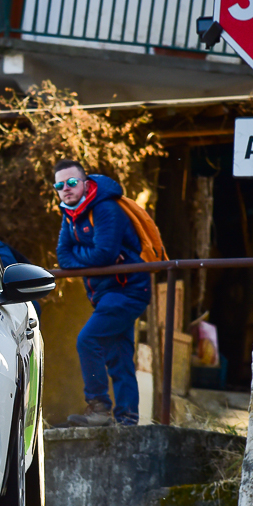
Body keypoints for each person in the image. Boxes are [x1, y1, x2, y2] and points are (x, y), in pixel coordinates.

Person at [53, 159, 151, 427]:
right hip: (107, 294)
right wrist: (91, 257)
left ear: (85, 183)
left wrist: (84, 255)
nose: (66, 188)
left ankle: (99, 408)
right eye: (60, 185)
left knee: (88, 340)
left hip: (128, 289)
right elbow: (63, 256)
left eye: (72, 182)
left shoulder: (106, 208)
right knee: (118, 356)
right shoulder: (70, 214)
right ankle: (127, 421)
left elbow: (104, 253)